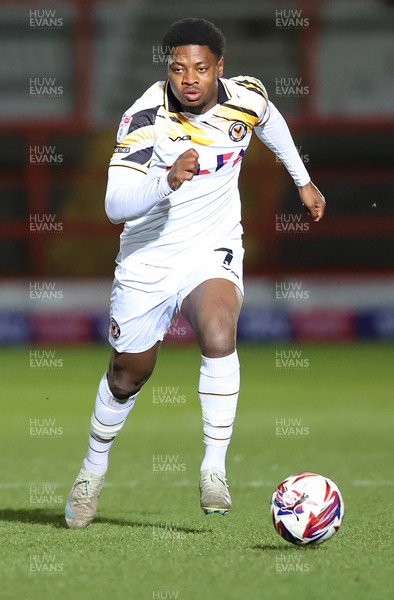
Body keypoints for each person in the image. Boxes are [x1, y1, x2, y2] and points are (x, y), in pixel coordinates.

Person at [65, 18, 325, 529]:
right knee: (129, 373)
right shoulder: (144, 116)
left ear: (219, 68)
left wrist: (304, 181)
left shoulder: (245, 96)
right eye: (178, 68)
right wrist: (165, 181)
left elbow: (270, 122)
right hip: (149, 257)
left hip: (213, 247)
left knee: (219, 329)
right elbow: (115, 204)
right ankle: (92, 471)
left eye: (200, 68)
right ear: (168, 68)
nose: (189, 78)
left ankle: (213, 468)